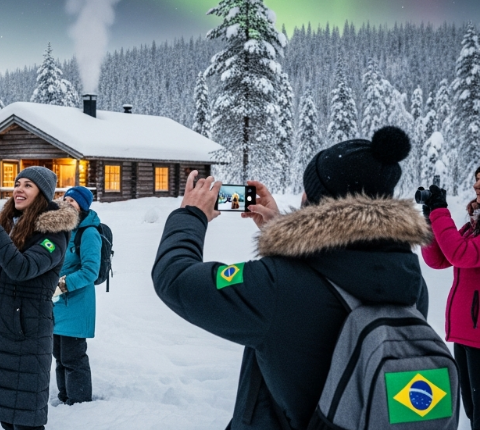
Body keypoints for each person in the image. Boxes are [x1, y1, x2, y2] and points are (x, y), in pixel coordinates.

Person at [151, 127, 431, 429]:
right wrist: (284, 234)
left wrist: (191, 215)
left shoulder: (277, 286)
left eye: (308, 190)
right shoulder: (410, 283)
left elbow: (175, 278)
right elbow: (342, 266)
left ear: (317, 203)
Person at [0, 166, 77, 430]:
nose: (19, 189)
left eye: (28, 185)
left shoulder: (53, 234)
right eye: (17, 183)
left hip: (27, 337)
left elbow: (21, 268)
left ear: (42, 194)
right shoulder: (11, 227)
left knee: (25, 421)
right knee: (6, 418)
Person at [421, 167, 480, 428]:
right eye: (477, 179)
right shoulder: (472, 228)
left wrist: (440, 211)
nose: (477, 186)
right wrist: (429, 219)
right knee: (471, 410)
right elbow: (438, 258)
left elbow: (460, 253)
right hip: (466, 333)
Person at [52, 186, 100, 405]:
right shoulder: (61, 228)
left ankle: (79, 403)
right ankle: (65, 399)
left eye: (73, 201)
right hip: (57, 304)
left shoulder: (88, 233)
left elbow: (91, 271)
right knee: (60, 357)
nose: (67, 202)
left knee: (73, 358)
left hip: (77, 304)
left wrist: (62, 284)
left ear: (83, 206)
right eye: (65, 198)